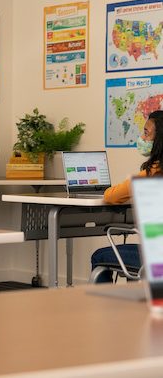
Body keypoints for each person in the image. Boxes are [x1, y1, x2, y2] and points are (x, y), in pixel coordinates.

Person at [90, 110, 163, 283]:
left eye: (146, 133)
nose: (142, 138)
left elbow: (110, 196)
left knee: (99, 256)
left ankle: (104, 310)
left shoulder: (150, 175)